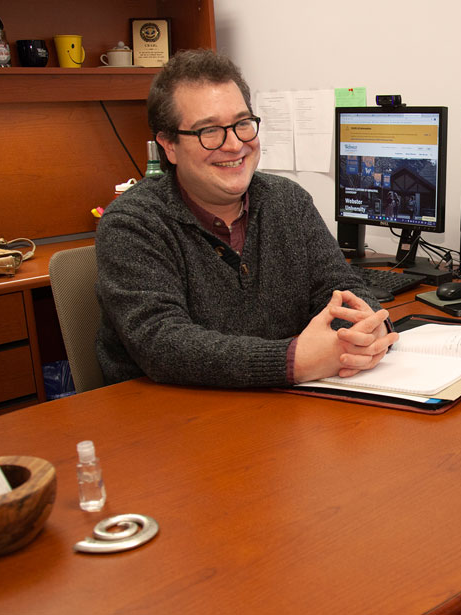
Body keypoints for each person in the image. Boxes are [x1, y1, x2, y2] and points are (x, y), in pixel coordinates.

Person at [96, 49, 397, 388]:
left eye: (242, 124)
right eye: (209, 130)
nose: (234, 144)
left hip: (280, 407)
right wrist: (293, 361)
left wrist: (367, 329)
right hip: (169, 419)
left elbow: (343, 289)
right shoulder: (132, 223)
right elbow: (163, 344)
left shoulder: (288, 201)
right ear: (168, 145)